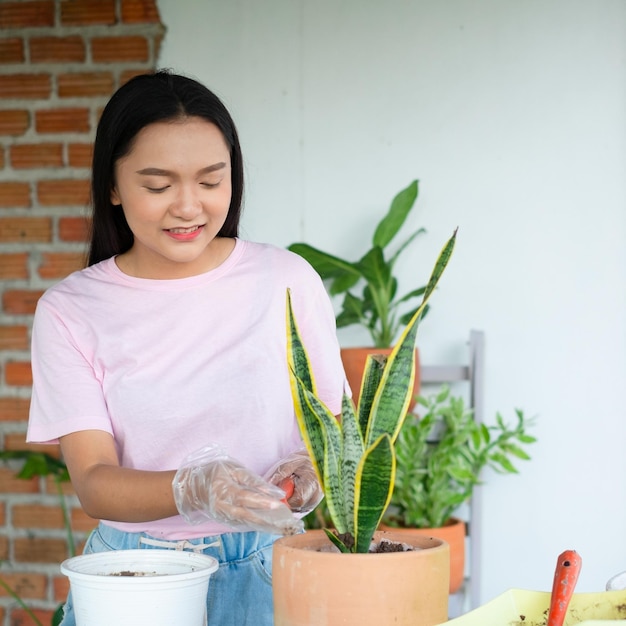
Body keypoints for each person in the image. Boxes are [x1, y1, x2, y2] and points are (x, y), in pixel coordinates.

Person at [26, 70, 347, 625]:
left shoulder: (287, 281)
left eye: (210, 181)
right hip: (135, 578)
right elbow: (95, 483)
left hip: (269, 566)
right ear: (113, 186)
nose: (188, 206)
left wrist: (308, 473)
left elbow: (333, 434)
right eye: (157, 186)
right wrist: (191, 488)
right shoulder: (70, 309)